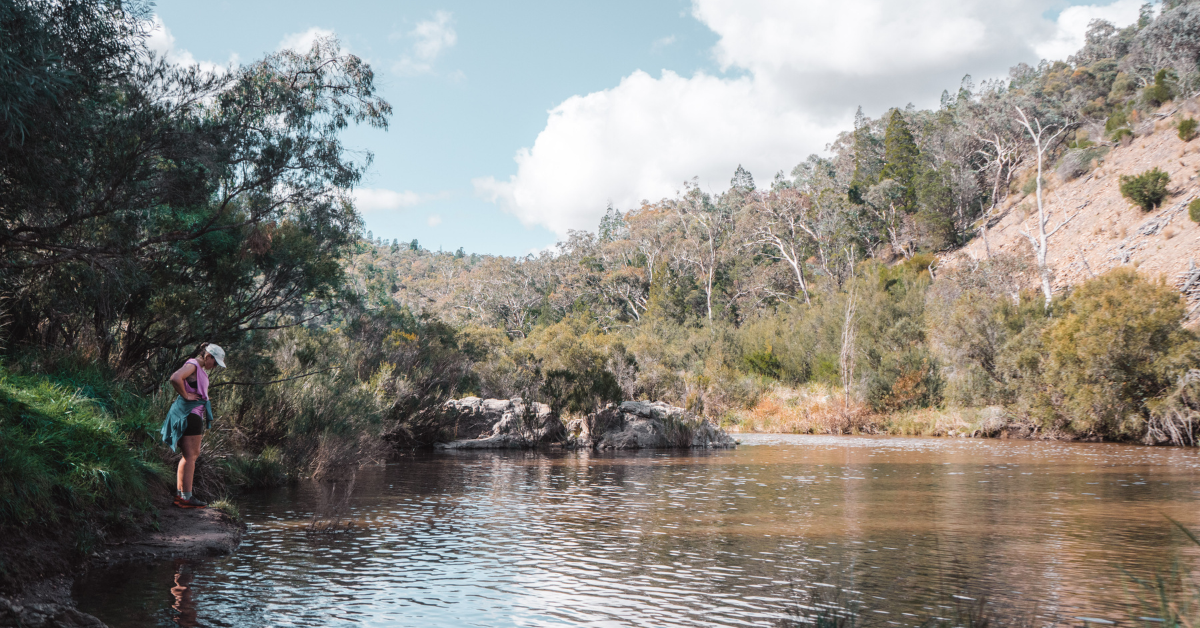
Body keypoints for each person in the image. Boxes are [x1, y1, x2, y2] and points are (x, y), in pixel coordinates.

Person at [162, 343, 227, 509]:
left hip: (189, 413)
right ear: (208, 356)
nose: (215, 366)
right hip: (190, 414)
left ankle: (180, 496)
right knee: (192, 455)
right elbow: (175, 378)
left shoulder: (197, 367)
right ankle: (187, 498)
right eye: (215, 362)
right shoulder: (194, 364)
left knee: (187, 456)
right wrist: (186, 396)